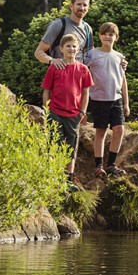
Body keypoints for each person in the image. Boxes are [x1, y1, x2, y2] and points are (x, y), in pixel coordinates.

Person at [41, 33, 94, 190]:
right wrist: (47, 110)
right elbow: (46, 91)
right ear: (61, 49)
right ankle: (52, 177)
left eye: (74, 46)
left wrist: (82, 112)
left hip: (73, 114)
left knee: (71, 146)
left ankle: (68, 179)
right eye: (68, 46)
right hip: (55, 112)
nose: (71, 48)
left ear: (78, 50)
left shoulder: (83, 69)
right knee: (54, 144)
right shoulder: (54, 67)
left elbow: (85, 93)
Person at [86, 22, 130, 177]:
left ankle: (111, 164)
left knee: (119, 129)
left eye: (111, 34)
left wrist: (126, 102)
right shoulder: (92, 54)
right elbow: (81, 70)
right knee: (101, 131)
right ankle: (98, 165)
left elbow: (123, 79)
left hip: (116, 98)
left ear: (116, 38)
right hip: (98, 98)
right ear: (99, 36)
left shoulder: (119, 57)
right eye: (104, 34)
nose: (107, 37)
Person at [35, 0, 92, 69]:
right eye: (78, 4)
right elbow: (38, 52)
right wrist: (52, 61)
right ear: (71, 6)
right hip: (60, 75)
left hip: (79, 77)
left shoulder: (87, 28)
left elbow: (89, 56)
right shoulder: (58, 25)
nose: (82, 8)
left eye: (85, 5)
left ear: (88, 7)